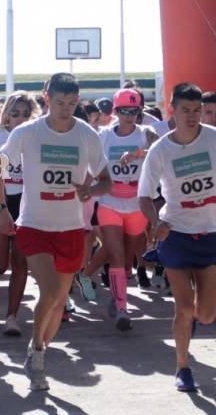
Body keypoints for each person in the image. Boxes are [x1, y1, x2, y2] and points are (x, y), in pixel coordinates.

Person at [0, 72, 111, 391]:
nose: (65, 109)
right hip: (34, 225)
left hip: (71, 228)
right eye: (60, 102)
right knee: (49, 292)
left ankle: (37, 349)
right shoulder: (28, 132)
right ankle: (39, 353)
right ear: (47, 99)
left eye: (72, 103)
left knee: (59, 301)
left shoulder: (86, 134)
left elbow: (106, 179)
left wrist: (91, 191)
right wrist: (2, 208)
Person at [138, 83, 216, 392]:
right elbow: (144, 196)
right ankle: (183, 367)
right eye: (186, 110)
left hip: (210, 233)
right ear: (173, 110)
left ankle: (193, 317)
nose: (193, 116)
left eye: (197, 111)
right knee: (183, 308)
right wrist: (156, 223)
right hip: (176, 235)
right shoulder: (160, 150)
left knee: (207, 315)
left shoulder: (213, 140)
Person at [93, 88, 156, 331]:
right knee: (117, 256)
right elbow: (91, 160)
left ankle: (114, 292)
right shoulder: (105, 136)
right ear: (116, 112)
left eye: (135, 111)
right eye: (124, 111)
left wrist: (139, 153)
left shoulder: (146, 133)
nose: (130, 115)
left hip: (136, 204)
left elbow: (162, 151)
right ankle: (122, 308)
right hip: (110, 202)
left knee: (127, 262)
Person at [0, 91, 38, 336]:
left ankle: (11, 316)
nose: (21, 119)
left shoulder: (37, 135)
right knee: (2, 263)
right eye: (15, 114)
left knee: (20, 263)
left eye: (26, 114)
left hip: (27, 202)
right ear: (6, 114)